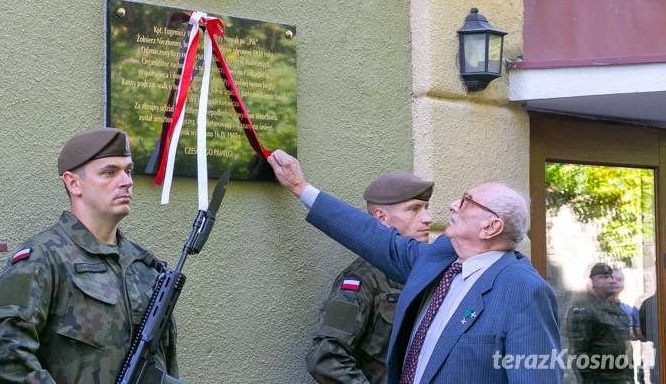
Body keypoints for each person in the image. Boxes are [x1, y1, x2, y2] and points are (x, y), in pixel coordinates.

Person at [268, 149, 562, 384]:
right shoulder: (442, 261)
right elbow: (371, 236)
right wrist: (300, 188)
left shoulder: (524, 290)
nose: (452, 205)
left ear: (491, 226)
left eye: (466, 201)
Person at [0, 128, 179, 383]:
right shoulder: (43, 258)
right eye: (109, 172)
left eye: (128, 171)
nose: (126, 181)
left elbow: (163, 364)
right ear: (73, 183)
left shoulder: (145, 267)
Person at [307, 171, 434, 384]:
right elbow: (325, 357)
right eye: (414, 209)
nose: (427, 218)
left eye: (426, 208)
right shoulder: (360, 280)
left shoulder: (432, 271)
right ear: (381, 218)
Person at [566, 263, 633, 383]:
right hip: (599, 378)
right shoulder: (584, 308)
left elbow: (625, 346)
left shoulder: (616, 308)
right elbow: (579, 352)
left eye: (610, 277)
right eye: (604, 277)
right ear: (592, 282)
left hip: (619, 377)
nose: (611, 281)